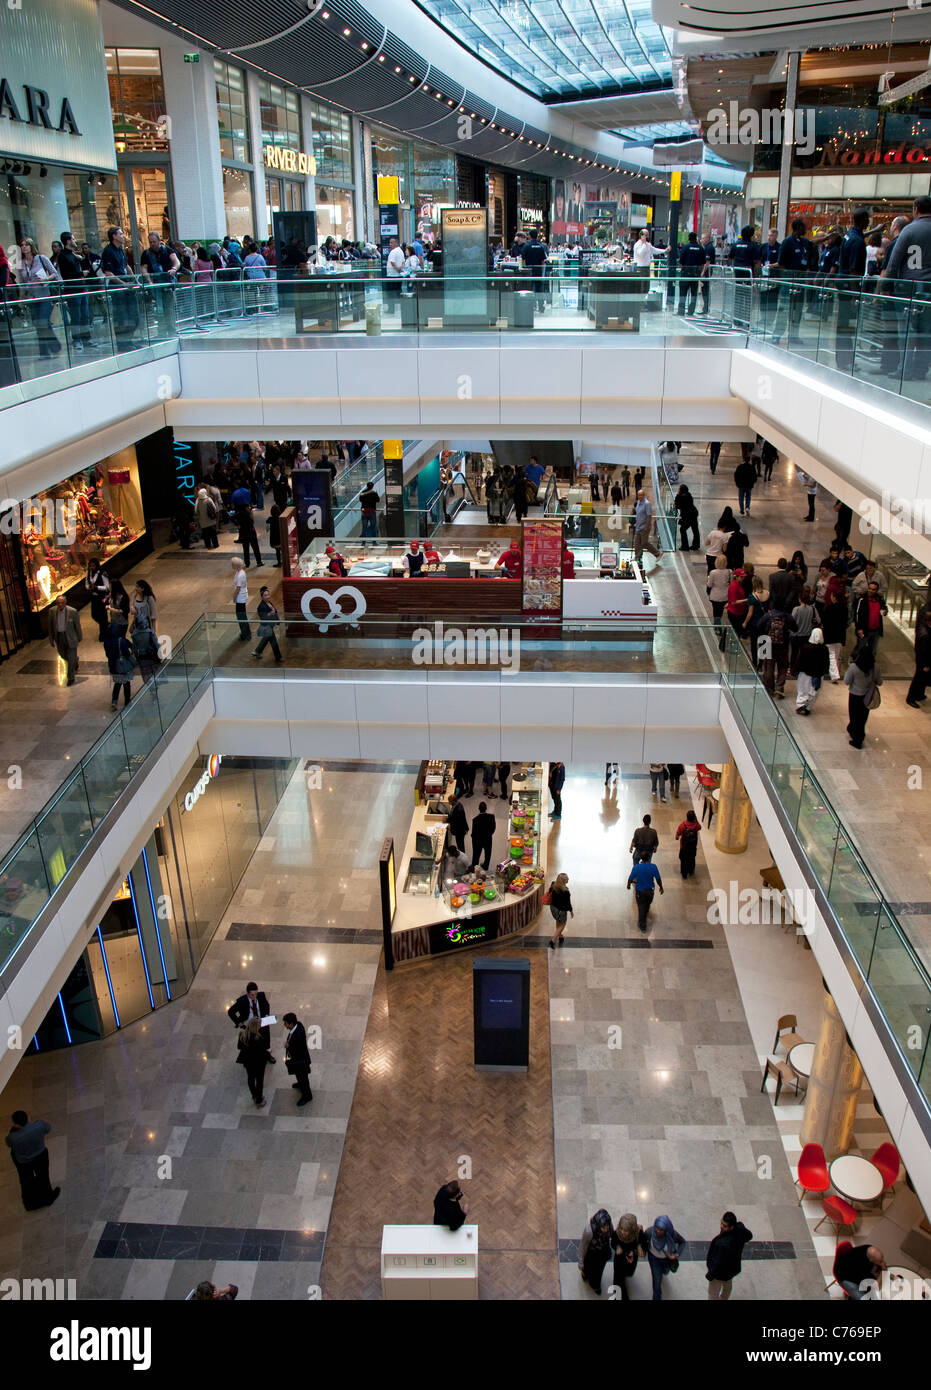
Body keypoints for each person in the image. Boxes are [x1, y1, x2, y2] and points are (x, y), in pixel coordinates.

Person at [835, 207, 870, 371]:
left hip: (843, 286)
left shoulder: (850, 235)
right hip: (849, 289)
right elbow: (854, 271)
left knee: (844, 326)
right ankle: (845, 360)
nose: (869, 222)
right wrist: (856, 296)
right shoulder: (857, 241)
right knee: (846, 326)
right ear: (863, 220)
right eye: (867, 219)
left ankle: (843, 359)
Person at [5, 1111, 60, 1211]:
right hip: (40, 1155)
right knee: (43, 1176)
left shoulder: (13, 1137)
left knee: (26, 1181)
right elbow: (48, 1128)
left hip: (24, 1162)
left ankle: (30, 1204)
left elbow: (8, 1144)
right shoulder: (38, 1125)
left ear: (15, 1123)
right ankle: (48, 1198)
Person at [18, 237, 62, 357]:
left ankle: (55, 346)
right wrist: (21, 299)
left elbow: (54, 273)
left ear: (31, 246)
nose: (24, 247)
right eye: (22, 245)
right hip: (31, 297)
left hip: (44, 296)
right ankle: (44, 352)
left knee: (43, 321)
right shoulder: (21, 263)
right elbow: (22, 283)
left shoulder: (41, 258)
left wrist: (45, 279)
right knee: (38, 324)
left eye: (26, 244)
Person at [706, 1211, 753, 1300]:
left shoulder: (724, 1244)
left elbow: (718, 1262)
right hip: (731, 1269)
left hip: (719, 1273)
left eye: (724, 1226)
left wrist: (710, 1274)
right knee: (727, 1287)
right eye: (721, 1223)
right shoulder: (739, 1230)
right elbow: (749, 1235)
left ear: (731, 1227)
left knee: (713, 1294)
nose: (721, 1227)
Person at [845, 645, 882, 748]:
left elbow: (846, 681)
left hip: (855, 695)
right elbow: (880, 682)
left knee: (854, 715)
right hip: (868, 696)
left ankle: (857, 739)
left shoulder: (854, 667)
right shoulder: (875, 667)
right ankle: (855, 731)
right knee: (863, 717)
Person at [759, 598, 795, 699]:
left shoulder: (768, 615)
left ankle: (769, 688)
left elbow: (759, 625)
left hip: (769, 645)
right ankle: (779, 688)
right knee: (783, 667)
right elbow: (795, 627)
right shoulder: (787, 616)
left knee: (769, 667)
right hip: (783, 646)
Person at [643, 1215, 685, 1300]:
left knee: (665, 1272)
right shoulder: (650, 1232)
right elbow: (643, 1240)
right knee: (657, 1280)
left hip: (667, 1260)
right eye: (657, 1228)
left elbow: (683, 1242)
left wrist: (676, 1255)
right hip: (654, 1259)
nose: (657, 1231)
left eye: (661, 1230)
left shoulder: (672, 1235)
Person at [236, 1016, 271, 1107]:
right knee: (259, 1080)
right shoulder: (258, 1038)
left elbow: (239, 1047)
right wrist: (268, 1053)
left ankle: (254, 1095)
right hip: (259, 1063)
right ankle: (259, 1099)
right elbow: (263, 1051)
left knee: (250, 1079)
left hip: (248, 1062)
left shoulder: (243, 1035)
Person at [578, 1209, 616, 1293]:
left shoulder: (610, 1226)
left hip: (603, 1252)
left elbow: (613, 1236)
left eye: (607, 1227)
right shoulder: (589, 1231)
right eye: (603, 1228)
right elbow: (583, 1246)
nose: (606, 1230)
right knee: (587, 1267)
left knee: (598, 1271)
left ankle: (595, 1285)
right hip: (591, 1253)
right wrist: (580, 1262)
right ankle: (585, 1274)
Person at [48, 593, 81, 685]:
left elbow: (77, 625)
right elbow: (50, 626)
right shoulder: (52, 611)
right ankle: (75, 660)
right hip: (59, 637)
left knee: (70, 658)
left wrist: (79, 636)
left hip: (70, 637)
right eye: (58, 603)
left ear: (65, 603)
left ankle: (70, 678)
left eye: (62, 603)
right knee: (62, 654)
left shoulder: (72, 611)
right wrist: (51, 639)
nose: (60, 605)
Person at [795, 627, 829, 716]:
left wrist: (796, 670)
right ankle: (808, 707)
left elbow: (799, 661)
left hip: (805, 674)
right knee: (814, 692)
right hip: (818, 675)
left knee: (802, 690)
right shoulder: (824, 648)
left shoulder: (805, 647)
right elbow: (826, 663)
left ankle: (801, 705)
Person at [611, 1214, 646, 1300]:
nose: (622, 1232)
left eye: (626, 1230)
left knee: (627, 1273)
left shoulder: (638, 1233)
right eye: (621, 1229)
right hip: (619, 1260)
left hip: (631, 1261)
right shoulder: (617, 1233)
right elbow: (613, 1243)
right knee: (618, 1279)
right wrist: (617, 1247)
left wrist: (639, 1247)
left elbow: (644, 1244)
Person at [103, 619, 134, 711]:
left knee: (117, 684)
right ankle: (127, 701)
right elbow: (126, 653)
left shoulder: (107, 641)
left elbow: (107, 654)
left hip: (113, 666)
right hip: (122, 665)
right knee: (126, 684)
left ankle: (114, 701)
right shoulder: (121, 641)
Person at [283, 1011, 312, 1105]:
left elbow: (298, 1049)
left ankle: (307, 1096)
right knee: (300, 1077)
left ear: (291, 1024)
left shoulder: (297, 1036)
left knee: (303, 1079)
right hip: (299, 1060)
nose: (284, 1025)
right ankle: (300, 1083)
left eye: (286, 1023)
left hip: (300, 1061)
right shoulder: (298, 1025)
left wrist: (288, 1046)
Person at [627, 854, 663, 932]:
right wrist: (661, 887)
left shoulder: (637, 867)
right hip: (650, 891)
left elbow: (630, 878)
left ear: (641, 859)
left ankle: (642, 925)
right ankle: (645, 913)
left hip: (640, 892)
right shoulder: (653, 867)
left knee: (641, 907)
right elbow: (658, 879)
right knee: (647, 904)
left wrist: (628, 885)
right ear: (649, 858)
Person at [820, 587, 848, 683]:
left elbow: (824, 620)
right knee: (836, 655)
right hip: (840, 635)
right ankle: (834, 672)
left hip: (830, 634)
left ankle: (834, 675)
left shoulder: (829, 608)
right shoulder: (845, 608)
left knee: (831, 655)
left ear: (834, 597)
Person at [907, 601, 931, 708]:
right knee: (919, 677)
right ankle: (911, 698)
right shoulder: (925, 635)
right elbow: (923, 651)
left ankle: (919, 694)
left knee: (923, 678)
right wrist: (925, 664)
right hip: (923, 659)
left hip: (925, 657)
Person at [790, 586, 817, 676]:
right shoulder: (812, 609)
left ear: (800, 599)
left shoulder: (796, 609)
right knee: (803, 653)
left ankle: (793, 670)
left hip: (796, 635)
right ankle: (802, 669)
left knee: (794, 653)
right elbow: (818, 620)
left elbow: (791, 621)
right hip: (806, 635)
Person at [854, 580, 887, 655]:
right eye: (869, 588)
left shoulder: (880, 599)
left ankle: (870, 665)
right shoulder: (862, 600)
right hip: (865, 630)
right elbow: (857, 615)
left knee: (873, 651)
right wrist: (859, 628)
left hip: (876, 630)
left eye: (873, 589)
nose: (871, 591)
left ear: (877, 590)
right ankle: (855, 663)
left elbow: (884, 608)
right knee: (860, 649)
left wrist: (885, 611)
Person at [676, 232, 705, 315]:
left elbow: (681, 261)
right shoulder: (700, 248)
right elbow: (703, 263)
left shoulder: (685, 247)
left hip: (685, 274)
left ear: (689, 238)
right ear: (696, 238)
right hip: (695, 274)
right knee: (694, 293)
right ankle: (691, 311)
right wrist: (700, 272)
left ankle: (681, 311)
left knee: (683, 293)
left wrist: (682, 270)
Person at [252, 587, 282, 662]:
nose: (268, 596)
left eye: (268, 594)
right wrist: (269, 614)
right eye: (265, 595)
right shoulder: (261, 606)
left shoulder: (269, 603)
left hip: (270, 625)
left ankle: (257, 651)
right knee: (273, 641)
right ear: (262, 597)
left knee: (267, 639)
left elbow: (275, 611)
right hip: (267, 626)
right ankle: (278, 657)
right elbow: (262, 617)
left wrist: (276, 620)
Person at [84, 557, 111, 640]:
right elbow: (86, 583)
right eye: (90, 566)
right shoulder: (88, 573)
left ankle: (103, 634)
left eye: (93, 566)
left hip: (102, 598)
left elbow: (106, 587)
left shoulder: (102, 574)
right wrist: (89, 587)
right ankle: (106, 625)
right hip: (94, 598)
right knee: (94, 615)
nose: (92, 568)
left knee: (103, 615)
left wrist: (96, 587)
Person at [522, 227, 548, 311]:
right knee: (539, 289)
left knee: (529, 288)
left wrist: (524, 268)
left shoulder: (527, 246)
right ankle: (541, 307)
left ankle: (530, 306)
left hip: (528, 270)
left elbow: (523, 259)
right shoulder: (540, 247)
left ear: (529, 236)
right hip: (538, 270)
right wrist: (540, 269)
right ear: (537, 236)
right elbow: (543, 260)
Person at [706, 554, 731, 641]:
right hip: (725, 596)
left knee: (716, 613)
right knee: (721, 612)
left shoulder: (713, 572)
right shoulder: (729, 571)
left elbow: (709, 584)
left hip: (715, 596)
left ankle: (717, 628)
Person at [633, 490, 661, 565]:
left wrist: (646, 526)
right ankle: (637, 557)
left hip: (644, 527)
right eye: (639, 495)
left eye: (641, 495)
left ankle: (657, 553)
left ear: (644, 495)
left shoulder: (647, 504)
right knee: (637, 543)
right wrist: (636, 522)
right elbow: (638, 514)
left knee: (644, 543)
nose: (640, 496)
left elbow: (649, 516)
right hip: (638, 526)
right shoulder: (638, 502)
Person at [547, 871, 573, 948]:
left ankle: (560, 936)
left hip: (553, 908)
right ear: (564, 881)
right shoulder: (566, 891)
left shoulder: (554, 886)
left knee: (558, 921)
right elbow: (568, 903)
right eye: (567, 878)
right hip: (561, 911)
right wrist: (571, 911)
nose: (568, 879)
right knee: (563, 924)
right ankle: (553, 940)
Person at [236, 498, 263, 568]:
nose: (249, 508)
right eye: (248, 507)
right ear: (245, 507)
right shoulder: (248, 514)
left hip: (244, 535)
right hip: (251, 534)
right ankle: (259, 562)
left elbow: (238, 525)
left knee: (246, 550)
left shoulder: (239, 515)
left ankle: (247, 563)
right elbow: (252, 522)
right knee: (255, 548)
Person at [470, 800, 496, 870]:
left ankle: (475, 867)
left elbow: (474, 833)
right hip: (488, 839)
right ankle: (485, 866)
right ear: (486, 808)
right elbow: (493, 828)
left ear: (479, 809)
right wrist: (489, 835)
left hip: (478, 841)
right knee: (488, 854)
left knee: (476, 855)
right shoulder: (491, 817)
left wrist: (474, 841)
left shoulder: (475, 820)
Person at [676, 809, 700, 879]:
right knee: (692, 859)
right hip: (692, 847)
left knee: (683, 861)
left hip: (684, 847)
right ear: (694, 818)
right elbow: (700, 827)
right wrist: (696, 820)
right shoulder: (696, 825)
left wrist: (677, 836)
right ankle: (691, 871)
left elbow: (677, 836)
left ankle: (684, 874)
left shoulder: (683, 825)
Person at [674, 484, 700, 550]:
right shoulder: (688, 494)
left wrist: (677, 495)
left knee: (682, 529)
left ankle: (685, 546)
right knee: (695, 529)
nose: (678, 490)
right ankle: (696, 545)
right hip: (693, 513)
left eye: (679, 489)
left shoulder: (682, 497)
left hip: (688, 516)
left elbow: (677, 505)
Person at [231, 557, 250, 640]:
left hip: (240, 597)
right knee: (242, 615)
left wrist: (234, 597)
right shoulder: (240, 571)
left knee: (241, 616)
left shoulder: (240, 575)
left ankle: (245, 634)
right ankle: (246, 632)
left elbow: (238, 589)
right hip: (241, 596)